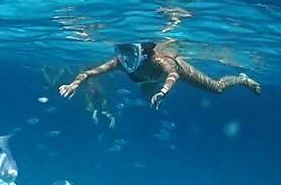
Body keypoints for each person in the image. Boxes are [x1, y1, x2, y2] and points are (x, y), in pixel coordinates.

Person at [59, 41, 261, 108]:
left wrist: (163, 92)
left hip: (176, 71)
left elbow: (173, 75)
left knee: (217, 89)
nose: (125, 60)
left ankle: (242, 79)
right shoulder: (120, 62)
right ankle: (153, 93)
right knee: (146, 98)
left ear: (144, 55)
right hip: (150, 81)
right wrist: (73, 84)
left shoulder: (159, 60)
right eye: (122, 54)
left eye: (130, 55)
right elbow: (89, 73)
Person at [42, 65, 116, 129]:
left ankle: (103, 114)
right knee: (95, 97)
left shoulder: (91, 87)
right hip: (89, 85)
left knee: (94, 96)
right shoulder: (91, 87)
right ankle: (103, 114)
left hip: (89, 86)